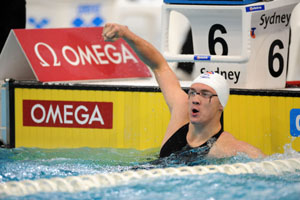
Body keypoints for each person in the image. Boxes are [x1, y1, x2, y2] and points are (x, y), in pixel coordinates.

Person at [102, 23, 266, 159]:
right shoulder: (181, 112)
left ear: (221, 104)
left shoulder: (228, 147)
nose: (195, 99)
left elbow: (266, 162)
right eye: (193, 92)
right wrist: (126, 34)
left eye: (205, 94)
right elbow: (159, 65)